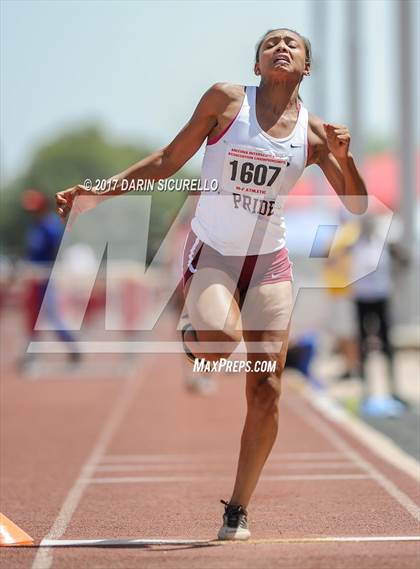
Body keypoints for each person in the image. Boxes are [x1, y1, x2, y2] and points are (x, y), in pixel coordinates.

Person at [55, 28, 367, 540]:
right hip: (215, 253)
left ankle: (237, 509)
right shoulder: (226, 102)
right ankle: (196, 336)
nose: (281, 47)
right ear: (258, 62)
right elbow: (167, 161)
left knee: (266, 387)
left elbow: (356, 204)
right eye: (271, 43)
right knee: (220, 345)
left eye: (292, 43)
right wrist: (99, 192)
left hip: (269, 261)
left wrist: (345, 155)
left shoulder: (313, 135)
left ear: (306, 67)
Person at [20, 189, 80, 368]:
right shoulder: (35, 226)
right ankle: (31, 354)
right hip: (35, 277)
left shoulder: (51, 225)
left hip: (47, 277)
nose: (33, 212)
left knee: (53, 316)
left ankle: (72, 347)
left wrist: (54, 271)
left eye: (35, 208)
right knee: (32, 315)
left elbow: (58, 250)